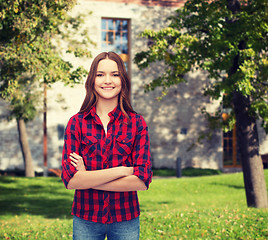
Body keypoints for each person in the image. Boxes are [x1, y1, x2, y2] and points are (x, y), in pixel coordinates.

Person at [61, 51, 153, 240]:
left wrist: (87, 178)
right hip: (86, 218)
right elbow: (71, 180)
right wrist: (123, 170)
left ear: (123, 80)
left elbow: (142, 181)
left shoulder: (137, 123)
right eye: (100, 74)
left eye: (115, 74)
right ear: (92, 80)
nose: (107, 81)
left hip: (125, 218)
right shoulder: (76, 123)